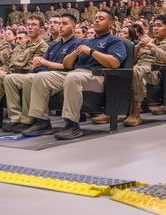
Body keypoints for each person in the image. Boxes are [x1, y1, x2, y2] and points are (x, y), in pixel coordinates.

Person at [23, 9, 127, 140]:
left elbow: (114, 63)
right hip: (76, 73)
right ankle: (41, 121)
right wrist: (74, 53)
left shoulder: (115, 41)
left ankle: (72, 124)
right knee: (40, 77)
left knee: (73, 77)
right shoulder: (85, 41)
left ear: (111, 23)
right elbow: (67, 65)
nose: (96, 20)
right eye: (95, 18)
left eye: (101, 18)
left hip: (99, 76)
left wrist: (91, 52)